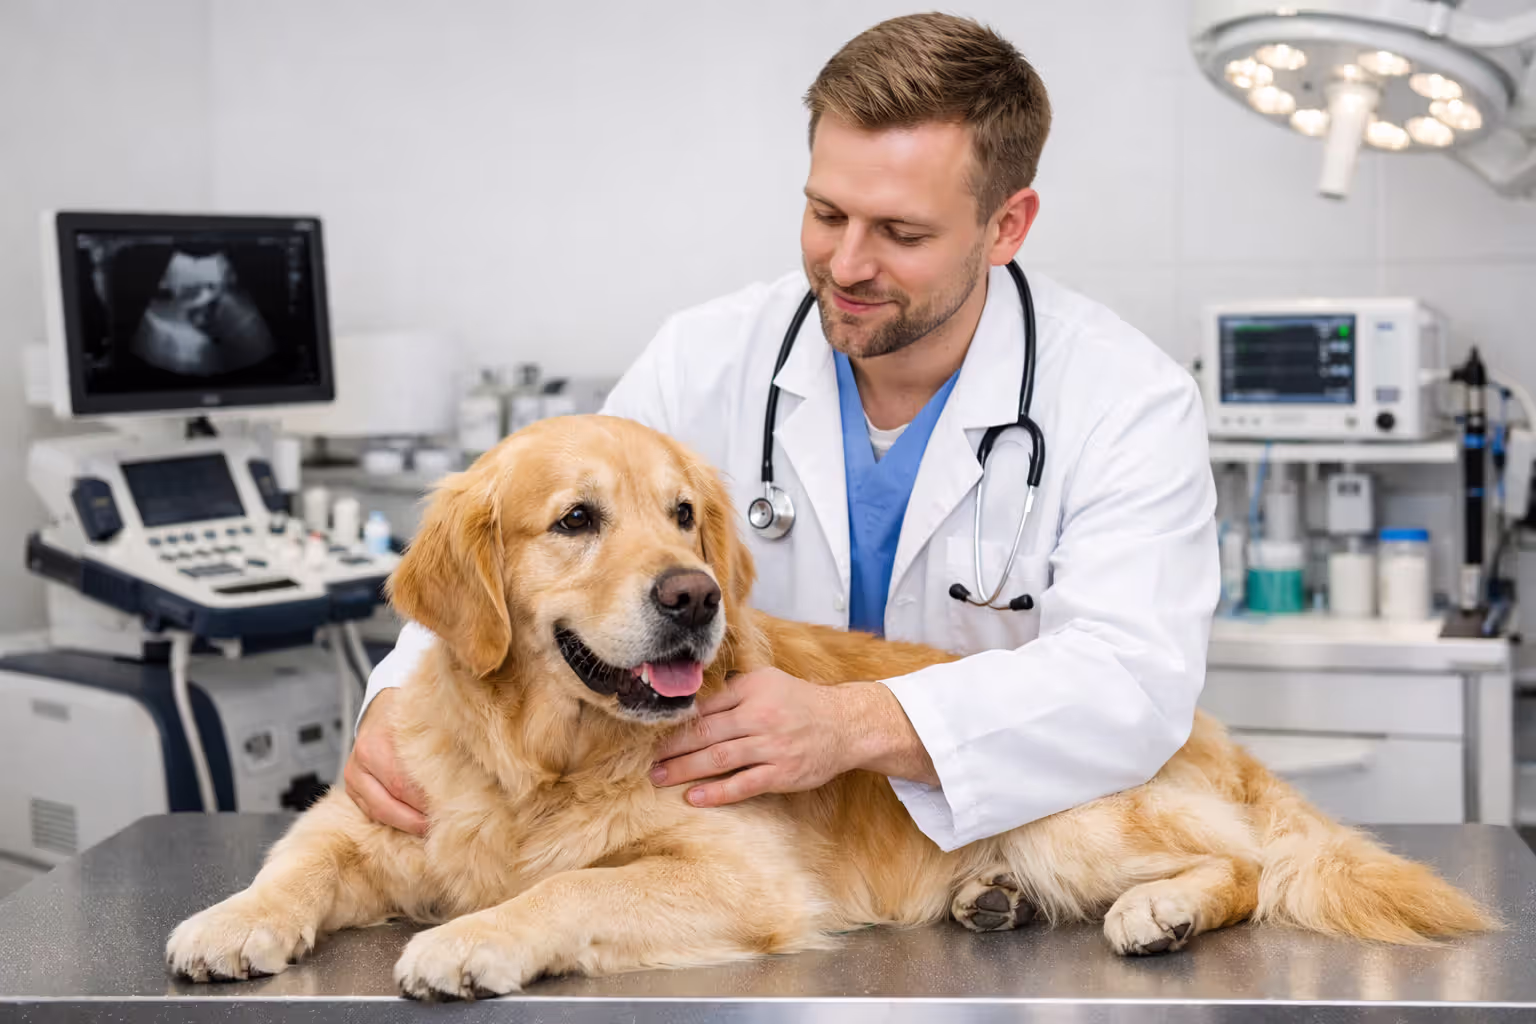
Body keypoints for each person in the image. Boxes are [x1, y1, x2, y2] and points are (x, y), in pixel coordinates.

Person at [346, 11, 1219, 853]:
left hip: (1014, 853)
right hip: (764, 854)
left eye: (901, 233)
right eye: (827, 214)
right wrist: (394, 696)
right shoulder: (706, 356)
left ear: (1007, 227)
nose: (845, 267)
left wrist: (854, 722)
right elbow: (522, 555)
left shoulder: (1126, 399)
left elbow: (1131, 682)